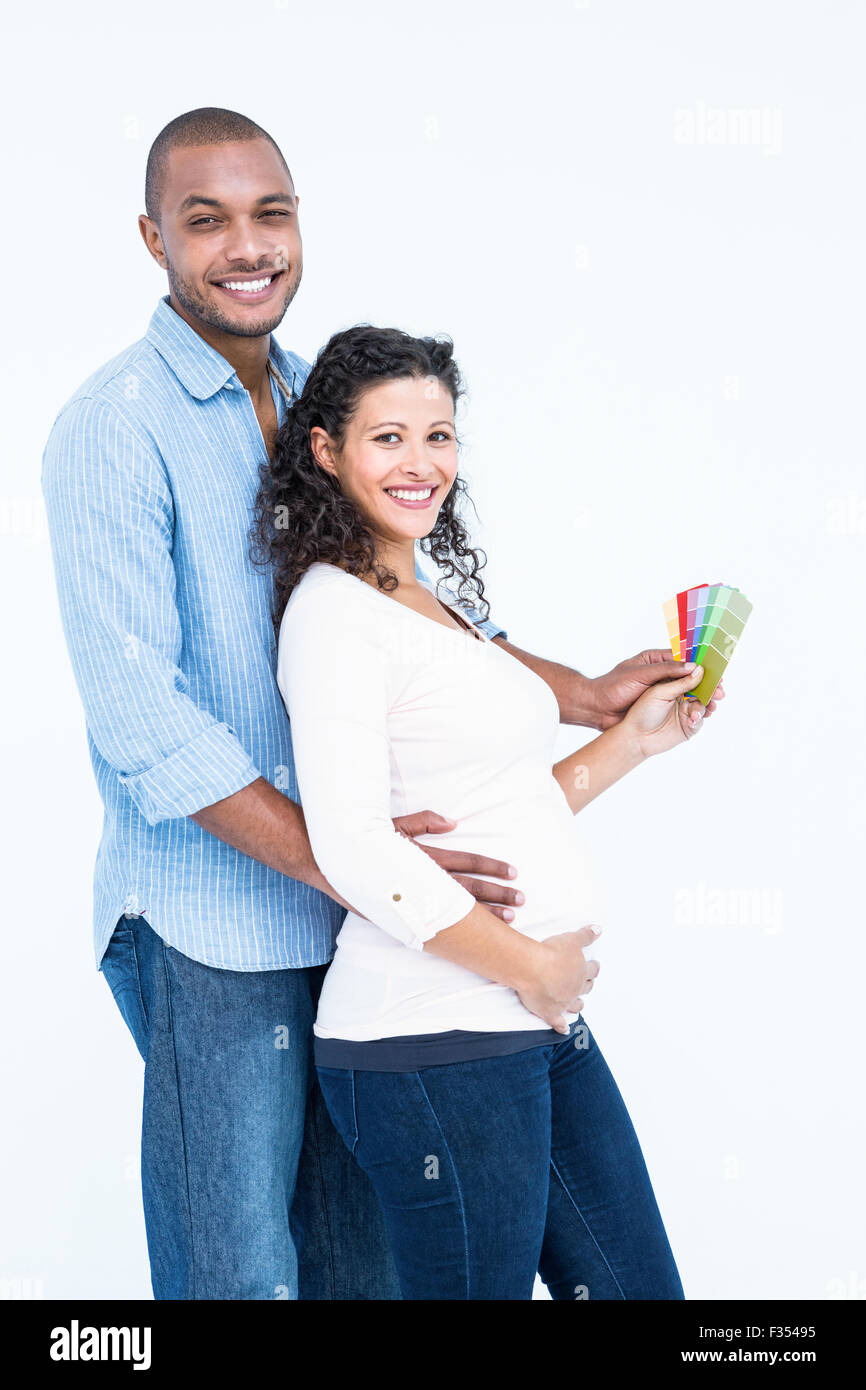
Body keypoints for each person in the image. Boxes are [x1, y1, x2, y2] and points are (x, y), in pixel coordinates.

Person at [41, 106, 721, 1301]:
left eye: (271, 213)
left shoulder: (322, 396)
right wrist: (356, 860)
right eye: (206, 220)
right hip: (215, 923)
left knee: (362, 1279)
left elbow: (412, 617)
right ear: (152, 238)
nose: (246, 245)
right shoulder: (115, 428)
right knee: (239, 1277)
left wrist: (584, 698)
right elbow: (143, 723)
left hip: (363, 928)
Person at [262, 324, 713, 1300]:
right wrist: (535, 968)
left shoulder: (430, 603)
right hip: (431, 1040)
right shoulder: (334, 614)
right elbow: (348, 841)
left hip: (528, 1018)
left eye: (438, 434)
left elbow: (501, 811)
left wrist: (633, 741)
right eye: (387, 438)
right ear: (326, 451)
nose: (420, 462)